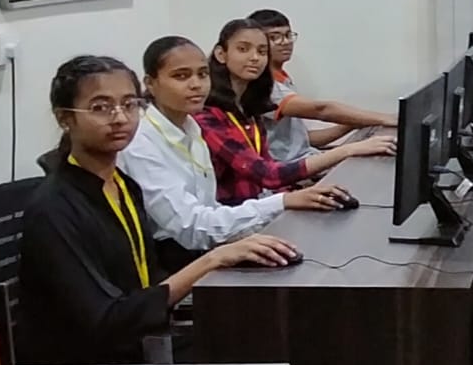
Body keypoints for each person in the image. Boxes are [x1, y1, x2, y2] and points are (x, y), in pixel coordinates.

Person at [19, 55, 300, 365]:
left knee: (271, 336)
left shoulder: (122, 184)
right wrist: (212, 260)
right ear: (64, 118)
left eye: (129, 104)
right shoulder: (54, 208)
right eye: (100, 107)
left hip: (141, 337)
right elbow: (105, 319)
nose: (119, 117)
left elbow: (145, 282)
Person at [119, 36, 356, 271]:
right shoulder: (141, 142)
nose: (196, 84)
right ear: (150, 83)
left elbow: (209, 209)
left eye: (202, 74)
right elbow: (191, 228)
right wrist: (282, 202)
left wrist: (263, 224)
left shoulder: (190, 126)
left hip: (205, 243)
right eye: (181, 76)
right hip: (170, 262)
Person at [195, 19, 395, 205]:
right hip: (239, 215)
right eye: (243, 49)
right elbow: (268, 175)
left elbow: (270, 171)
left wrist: (298, 193)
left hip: (265, 203)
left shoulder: (250, 108)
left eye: (262, 51)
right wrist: (348, 150)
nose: (255, 58)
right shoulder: (208, 115)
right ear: (221, 54)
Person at [247, 8, 396, 163]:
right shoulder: (265, 87)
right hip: (290, 169)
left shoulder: (283, 80)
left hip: (308, 157)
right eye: (274, 37)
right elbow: (321, 110)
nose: (285, 42)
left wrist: (352, 124)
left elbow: (305, 140)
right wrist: (386, 119)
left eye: (288, 35)